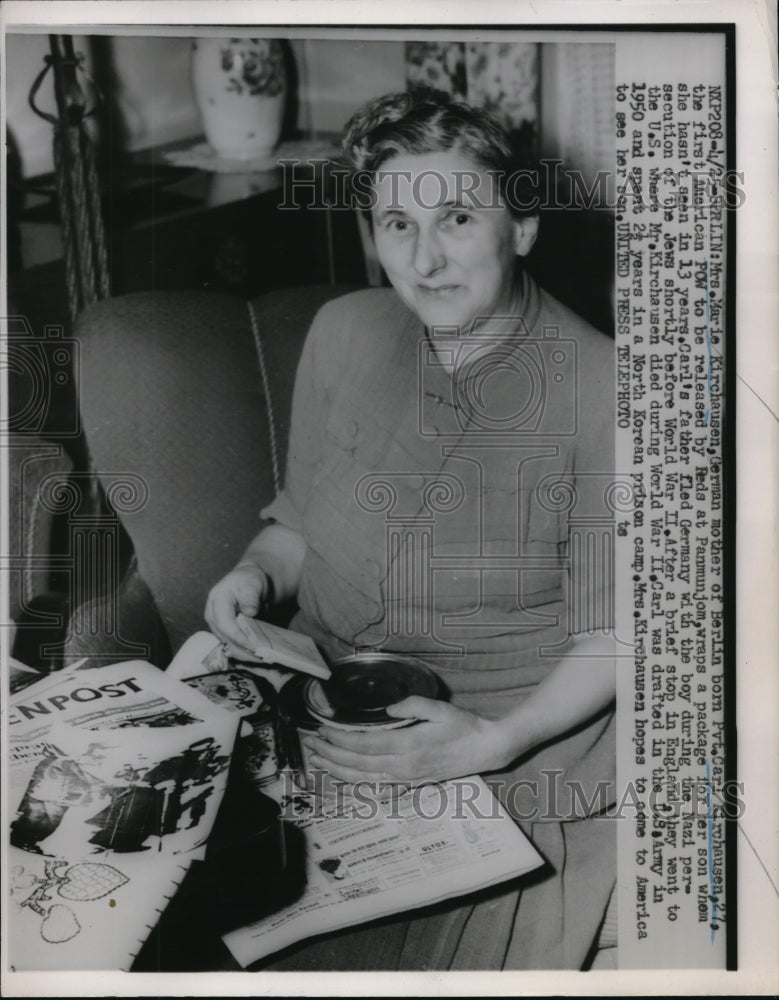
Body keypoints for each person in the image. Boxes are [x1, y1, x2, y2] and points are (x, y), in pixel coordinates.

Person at [205, 87, 617, 970]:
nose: (424, 259)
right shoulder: (343, 331)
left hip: (496, 737)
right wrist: (251, 574)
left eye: (458, 217)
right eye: (396, 225)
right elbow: (295, 528)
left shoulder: (606, 391)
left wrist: (496, 739)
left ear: (524, 226)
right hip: (316, 709)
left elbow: (617, 637)